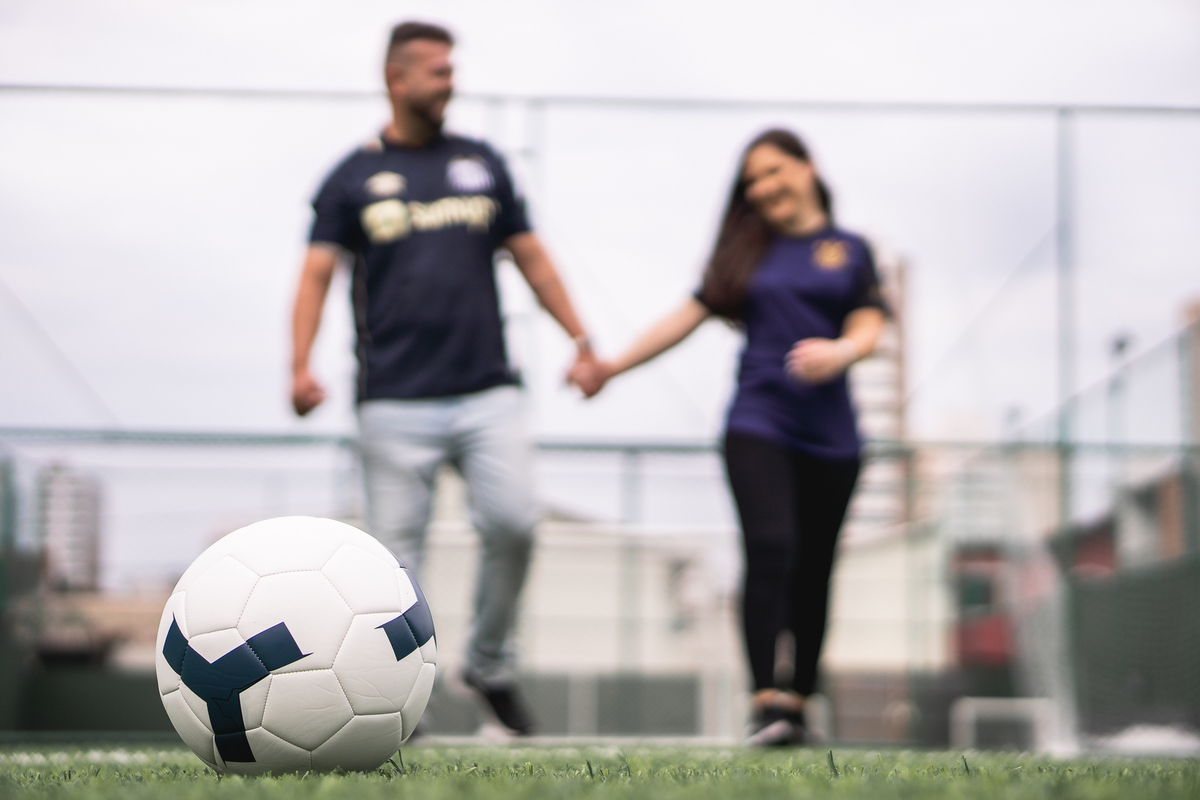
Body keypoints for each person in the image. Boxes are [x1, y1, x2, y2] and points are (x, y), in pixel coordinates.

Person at [290, 21, 596, 736]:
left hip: (487, 390)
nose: (449, 81)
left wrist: (581, 340)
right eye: (436, 70)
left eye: (452, 69)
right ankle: (404, 694)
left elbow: (532, 256)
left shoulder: (481, 163)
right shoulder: (351, 177)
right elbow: (315, 275)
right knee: (395, 566)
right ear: (396, 79)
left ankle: (488, 664)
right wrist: (299, 366)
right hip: (393, 400)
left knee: (515, 523)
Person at [569, 129, 887, 746]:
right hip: (758, 422)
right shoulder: (749, 250)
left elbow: (870, 322)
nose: (764, 188)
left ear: (807, 168)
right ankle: (766, 702)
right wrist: (611, 367)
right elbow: (684, 317)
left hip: (833, 437)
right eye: (752, 182)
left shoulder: (850, 250)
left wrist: (842, 351)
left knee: (815, 568)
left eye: (774, 172)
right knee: (771, 548)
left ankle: (798, 703)